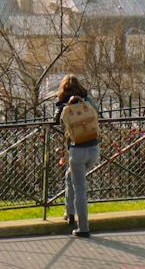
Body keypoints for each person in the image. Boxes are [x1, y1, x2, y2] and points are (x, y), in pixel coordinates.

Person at [53, 75, 101, 238]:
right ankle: (69, 212)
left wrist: (64, 106)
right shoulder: (88, 99)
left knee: (80, 188)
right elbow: (97, 114)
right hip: (94, 148)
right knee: (69, 176)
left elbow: (57, 120)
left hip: (77, 150)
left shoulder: (64, 103)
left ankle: (83, 227)